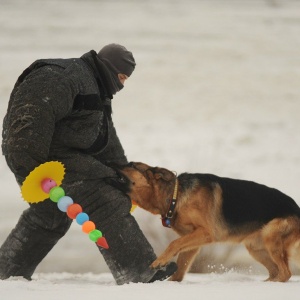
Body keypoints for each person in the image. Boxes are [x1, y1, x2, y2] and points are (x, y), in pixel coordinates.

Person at [0, 44, 177, 284]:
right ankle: (140, 274)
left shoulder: (96, 86)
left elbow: (104, 137)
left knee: (50, 215)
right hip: (39, 159)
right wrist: (33, 167)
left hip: (62, 157)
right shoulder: (62, 77)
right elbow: (29, 118)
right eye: (122, 77)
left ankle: (6, 272)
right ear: (109, 68)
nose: (123, 84)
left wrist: (123, 175)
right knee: (105, 201)